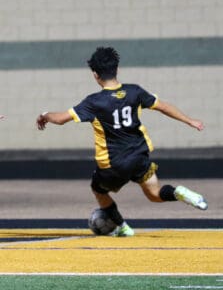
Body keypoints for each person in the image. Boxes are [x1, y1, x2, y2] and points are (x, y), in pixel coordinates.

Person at [36, 47, 208, 237]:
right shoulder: (134, 91)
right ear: (117, 69)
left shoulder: (94, 102)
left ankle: (122, 227)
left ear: (95, 75)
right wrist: (189, 120)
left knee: (98, 189)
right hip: (139, 156)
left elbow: (60, 119)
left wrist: (45, 115)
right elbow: (163, 106)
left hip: (114, 163)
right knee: (155, 194)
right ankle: (179, 192)